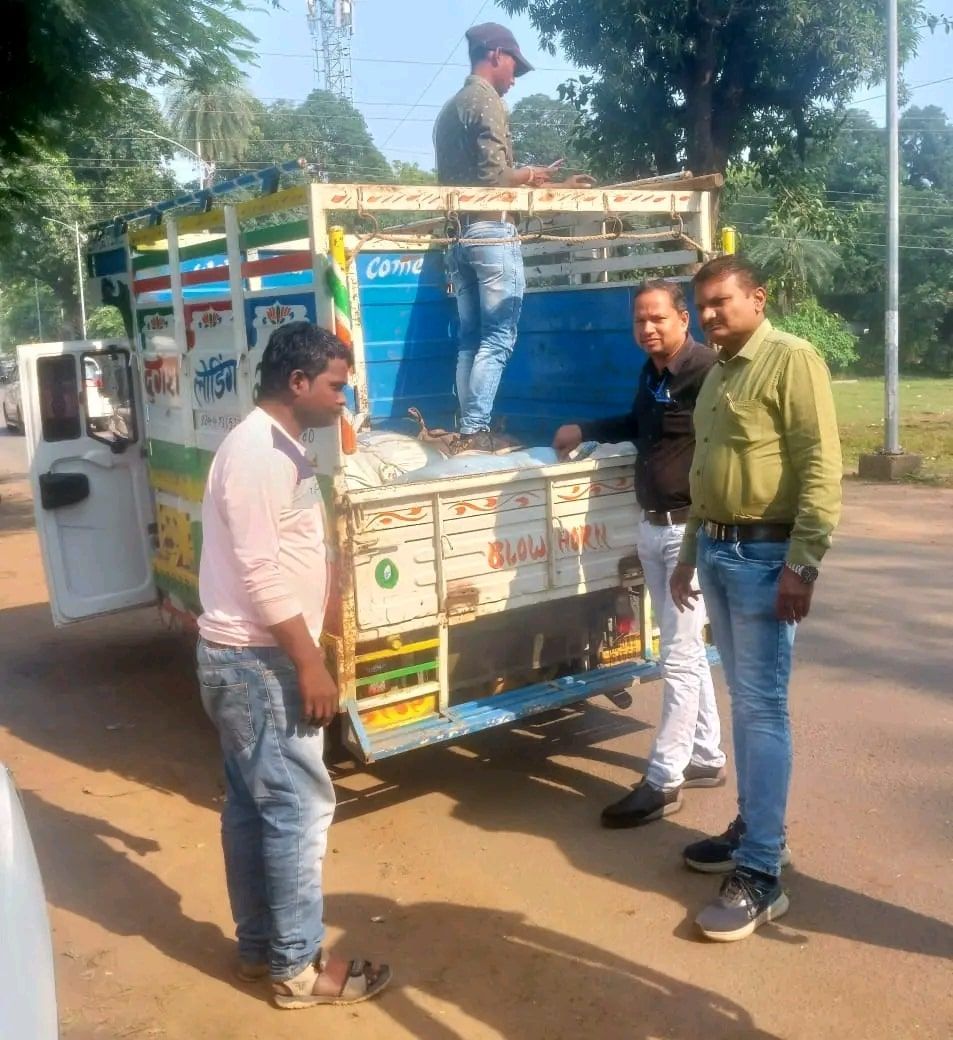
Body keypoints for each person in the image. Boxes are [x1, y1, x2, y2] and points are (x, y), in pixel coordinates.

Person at [196, 321, 392, 1007]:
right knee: (297, 810)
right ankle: (297, 969)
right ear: (299, 383)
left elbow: (295, 549)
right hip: (258, 664)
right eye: (336, 385)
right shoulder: (257, 455)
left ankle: (260, 953)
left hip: (254, 657)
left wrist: (327, 613)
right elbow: (257, 573)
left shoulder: (284, 448)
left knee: (256, 811)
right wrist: (309, 663)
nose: (343, 398)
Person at [670, 256, 842, 942]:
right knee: (744, 703)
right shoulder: (718, 372)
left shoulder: (790, 360)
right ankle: (754, 826)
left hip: (765, 557)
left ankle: (762, 872)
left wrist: (802, 563)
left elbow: (819, 466)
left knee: (763, 708)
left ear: (756, 298)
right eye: (702, 305)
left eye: (719, 303)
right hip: (716, 551)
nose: (709, 315)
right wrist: (688, 554)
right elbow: (706, 471)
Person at [553, 281, 726, 828]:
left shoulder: (706, 372)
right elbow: (638, 426)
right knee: (686, 650)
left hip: (686, 535)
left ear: (683, 319)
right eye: (639, 322)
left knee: (676, 656)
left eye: (657, 319)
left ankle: (664, 779)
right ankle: (706, 756)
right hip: (652, 528)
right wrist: (586, 430)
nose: (647, 329)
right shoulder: (653, 372)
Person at [433, 21, 594, 454]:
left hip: (458, 234)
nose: (512, 82)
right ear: (495, 55)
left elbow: (478, 177)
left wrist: (551, 185)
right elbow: (493, 178)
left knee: (471, 338)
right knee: (499, 336)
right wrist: (530, 174)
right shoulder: (485, 102)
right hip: (491, 230)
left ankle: (468, 426)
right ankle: (474, 430)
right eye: (513, 70)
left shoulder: (450, 109)